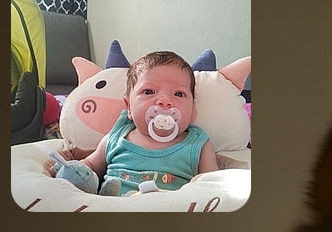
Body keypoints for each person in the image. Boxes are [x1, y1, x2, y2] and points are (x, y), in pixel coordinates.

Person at [50, 50, 218, 195]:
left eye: (179, 94)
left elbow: (212, 182)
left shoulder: (198, 143)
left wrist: (199, 185)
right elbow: (90, 165)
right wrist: (70, 170)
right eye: (149, 91)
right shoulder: (116, 137)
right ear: (129, 107)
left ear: (192, 111)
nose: (165, 101)